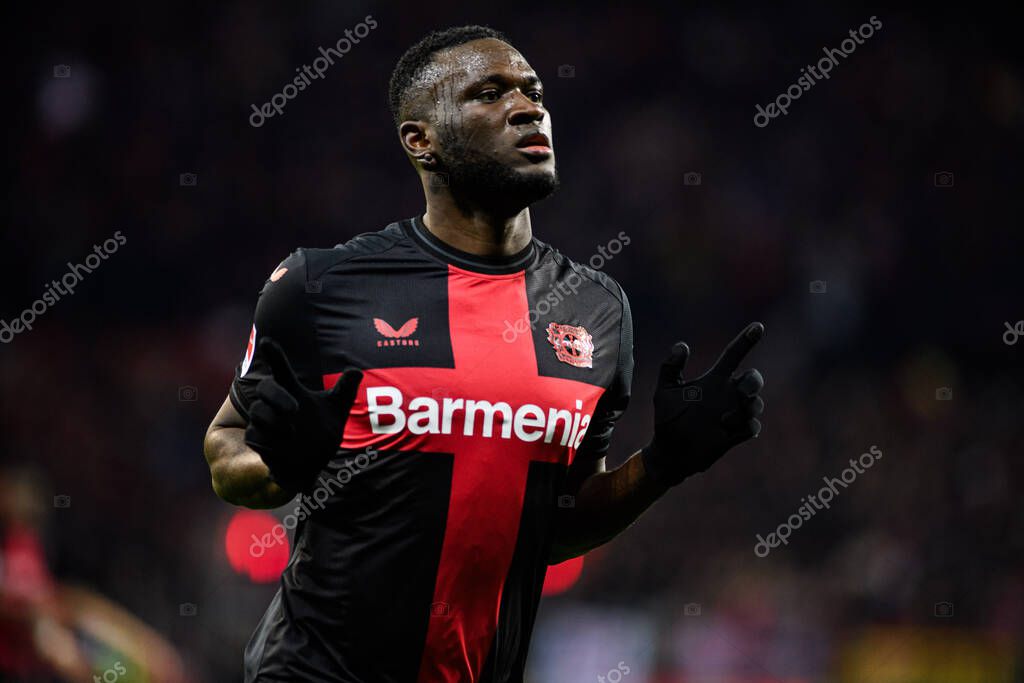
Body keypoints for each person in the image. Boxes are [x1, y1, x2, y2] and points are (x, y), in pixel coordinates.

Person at [203, 25, 765, 682]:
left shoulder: (597, 311)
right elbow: (224, 450)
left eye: (533, 92)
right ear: (422, 140)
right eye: (490, 93)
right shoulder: (320, 286)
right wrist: (282, 468)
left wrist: (661, 466)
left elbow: (555, 526)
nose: (528, 107)